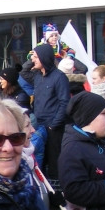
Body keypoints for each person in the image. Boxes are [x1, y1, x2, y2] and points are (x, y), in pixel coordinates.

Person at [29, 43, 70, 179]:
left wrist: (54, 124)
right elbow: (23, 72)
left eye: (35, 57)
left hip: (53, 128)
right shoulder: (37, 76)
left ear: (44, 58)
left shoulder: (59, 77)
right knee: (40, 161)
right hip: (39, 126)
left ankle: (57, 193)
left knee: (54, 163)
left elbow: (64, 102)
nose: (32, 59)